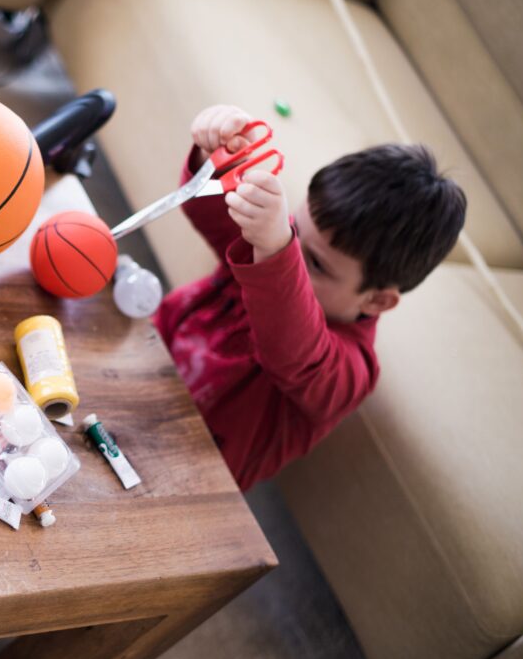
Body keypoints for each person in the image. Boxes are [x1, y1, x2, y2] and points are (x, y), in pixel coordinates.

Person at [155, 105, 467, 489]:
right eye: (294, 231)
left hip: (183, 478)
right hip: (149, 355)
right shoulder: (282, 245)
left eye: (316, 265)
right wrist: (214, 158)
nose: (292, 253)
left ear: (376, 301)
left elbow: (295, 350)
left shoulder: (352, 372)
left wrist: (276, 249)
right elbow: (215, 216)